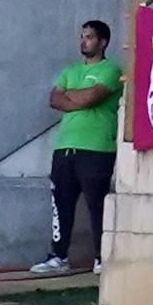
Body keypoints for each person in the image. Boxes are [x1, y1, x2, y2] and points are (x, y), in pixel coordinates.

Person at [29, 21, 123, 277]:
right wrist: (75, 99)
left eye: (89, 37)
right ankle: (58, 256)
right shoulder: (69, 71)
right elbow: (54, 99)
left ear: (103, 42)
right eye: (82, 37)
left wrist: (71, 98)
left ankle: (101, 257)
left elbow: (92, 97)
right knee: (61, 203)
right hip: (64, 147)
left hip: (96, 148)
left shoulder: (112, 69)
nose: (84, 42)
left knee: (97, 205)